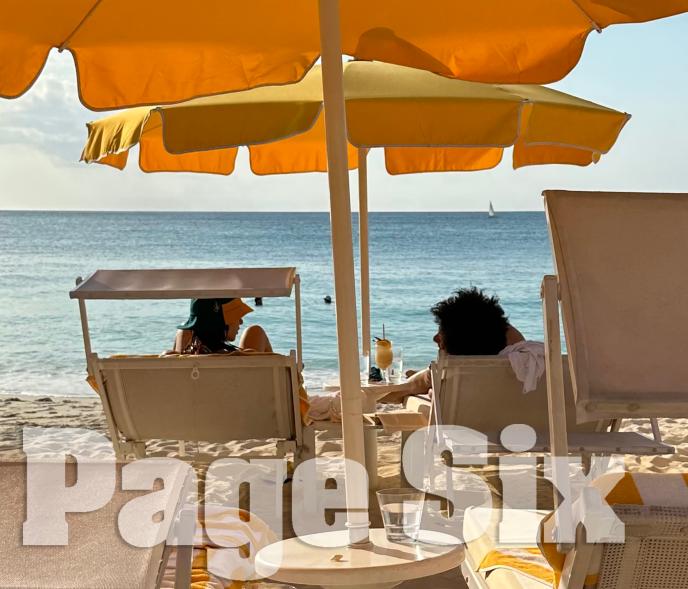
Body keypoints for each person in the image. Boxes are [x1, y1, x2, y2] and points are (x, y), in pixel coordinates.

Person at [377, 287, 524, 403]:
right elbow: (514, 337)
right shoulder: (525, 368)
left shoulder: (448, 377)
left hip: (457, 437)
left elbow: (401, 391)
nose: (435, 338)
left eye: (441, 331)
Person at [170, 298, 272, 354]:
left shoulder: (173, 358)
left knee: (182, 330)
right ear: (224, 322)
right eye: (236, 316)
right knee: (255, 331)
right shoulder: (242, 357)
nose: (241, 321)